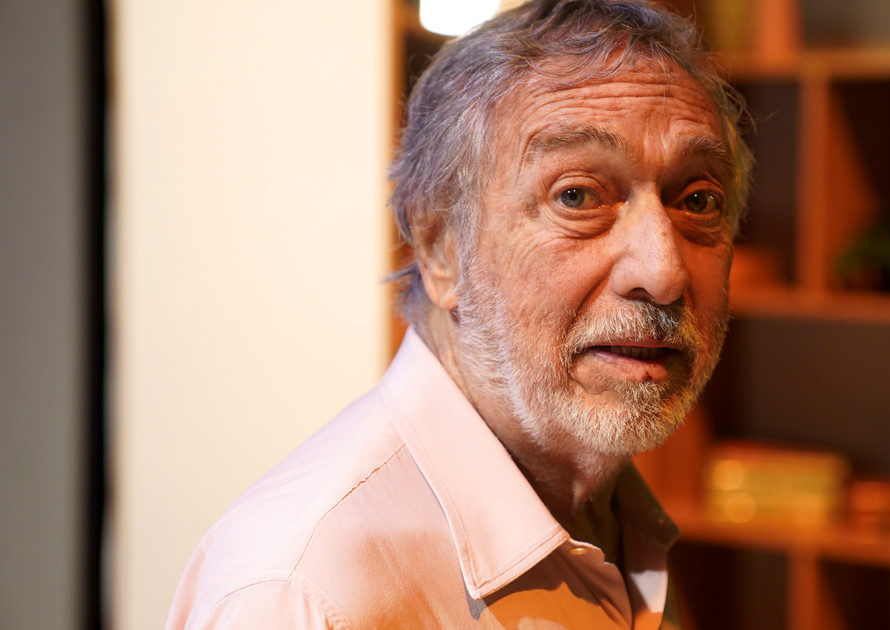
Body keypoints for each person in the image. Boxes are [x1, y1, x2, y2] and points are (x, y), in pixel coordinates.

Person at [166, 0, 751, 627]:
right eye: (578, 196)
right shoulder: (306, 591)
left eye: (698, 200)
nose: (663, 272)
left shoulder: (617, 516)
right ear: (440, 248)